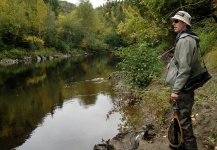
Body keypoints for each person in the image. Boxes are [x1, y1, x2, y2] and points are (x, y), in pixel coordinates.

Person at [165, 11, 202, 150]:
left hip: (183, 87)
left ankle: (190, 147)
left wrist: (176, 90)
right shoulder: (186, 38)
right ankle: (183, 144)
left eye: (176, 21)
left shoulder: (185, 40)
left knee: (184, 120)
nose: (173, 24)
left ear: (185, 23)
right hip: (185, 85)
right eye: (173, 21)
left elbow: (185, 69)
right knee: (182, 117)